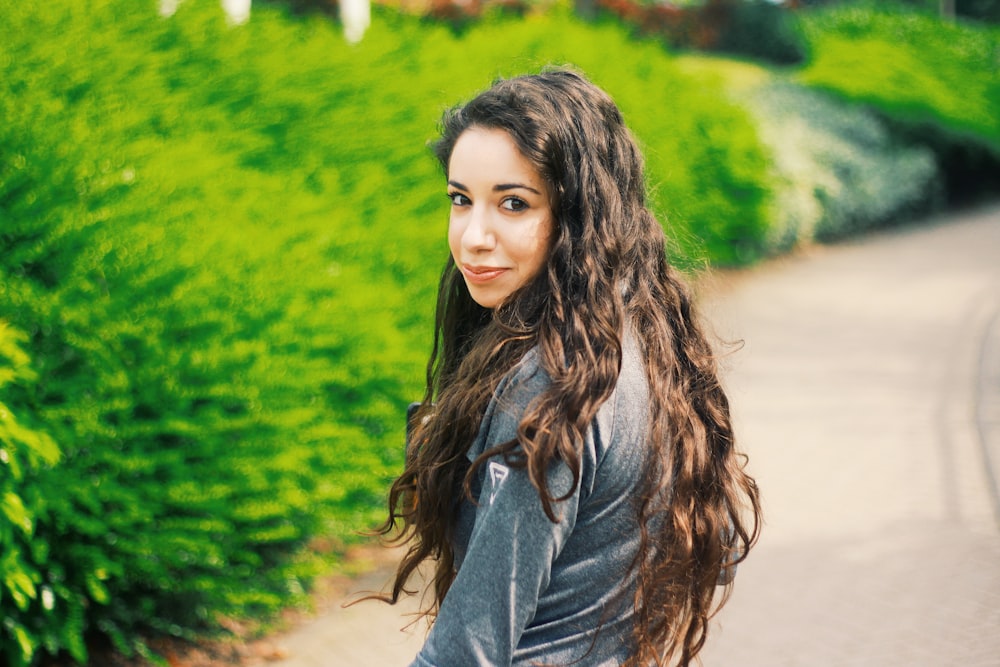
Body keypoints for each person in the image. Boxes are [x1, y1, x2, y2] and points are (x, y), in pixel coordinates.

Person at [377, 67, 761, 667]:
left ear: (578, 213)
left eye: (513, 203)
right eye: (460, 199)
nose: (473, 235)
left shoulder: (554, 388)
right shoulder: (640, 338)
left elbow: (469, 647)